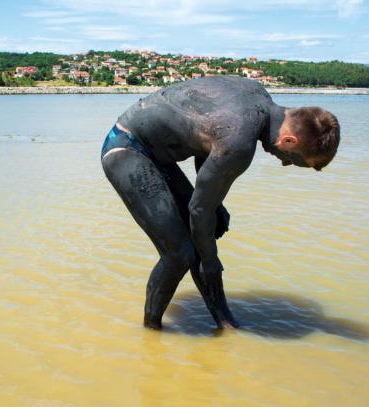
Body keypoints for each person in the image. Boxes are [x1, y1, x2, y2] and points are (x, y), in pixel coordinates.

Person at [101, 76, 340, 330]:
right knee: (179, 254)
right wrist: (211, 261)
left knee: (203, 235)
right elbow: (198, 210)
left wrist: (215, 206)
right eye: (292, 160)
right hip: (126, 149)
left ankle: (225, 324)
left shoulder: (256, 94)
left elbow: (207, 143)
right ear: (289, 141)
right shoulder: (239, 143)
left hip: (154, 152)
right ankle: (151, 331)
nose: (284, 162)